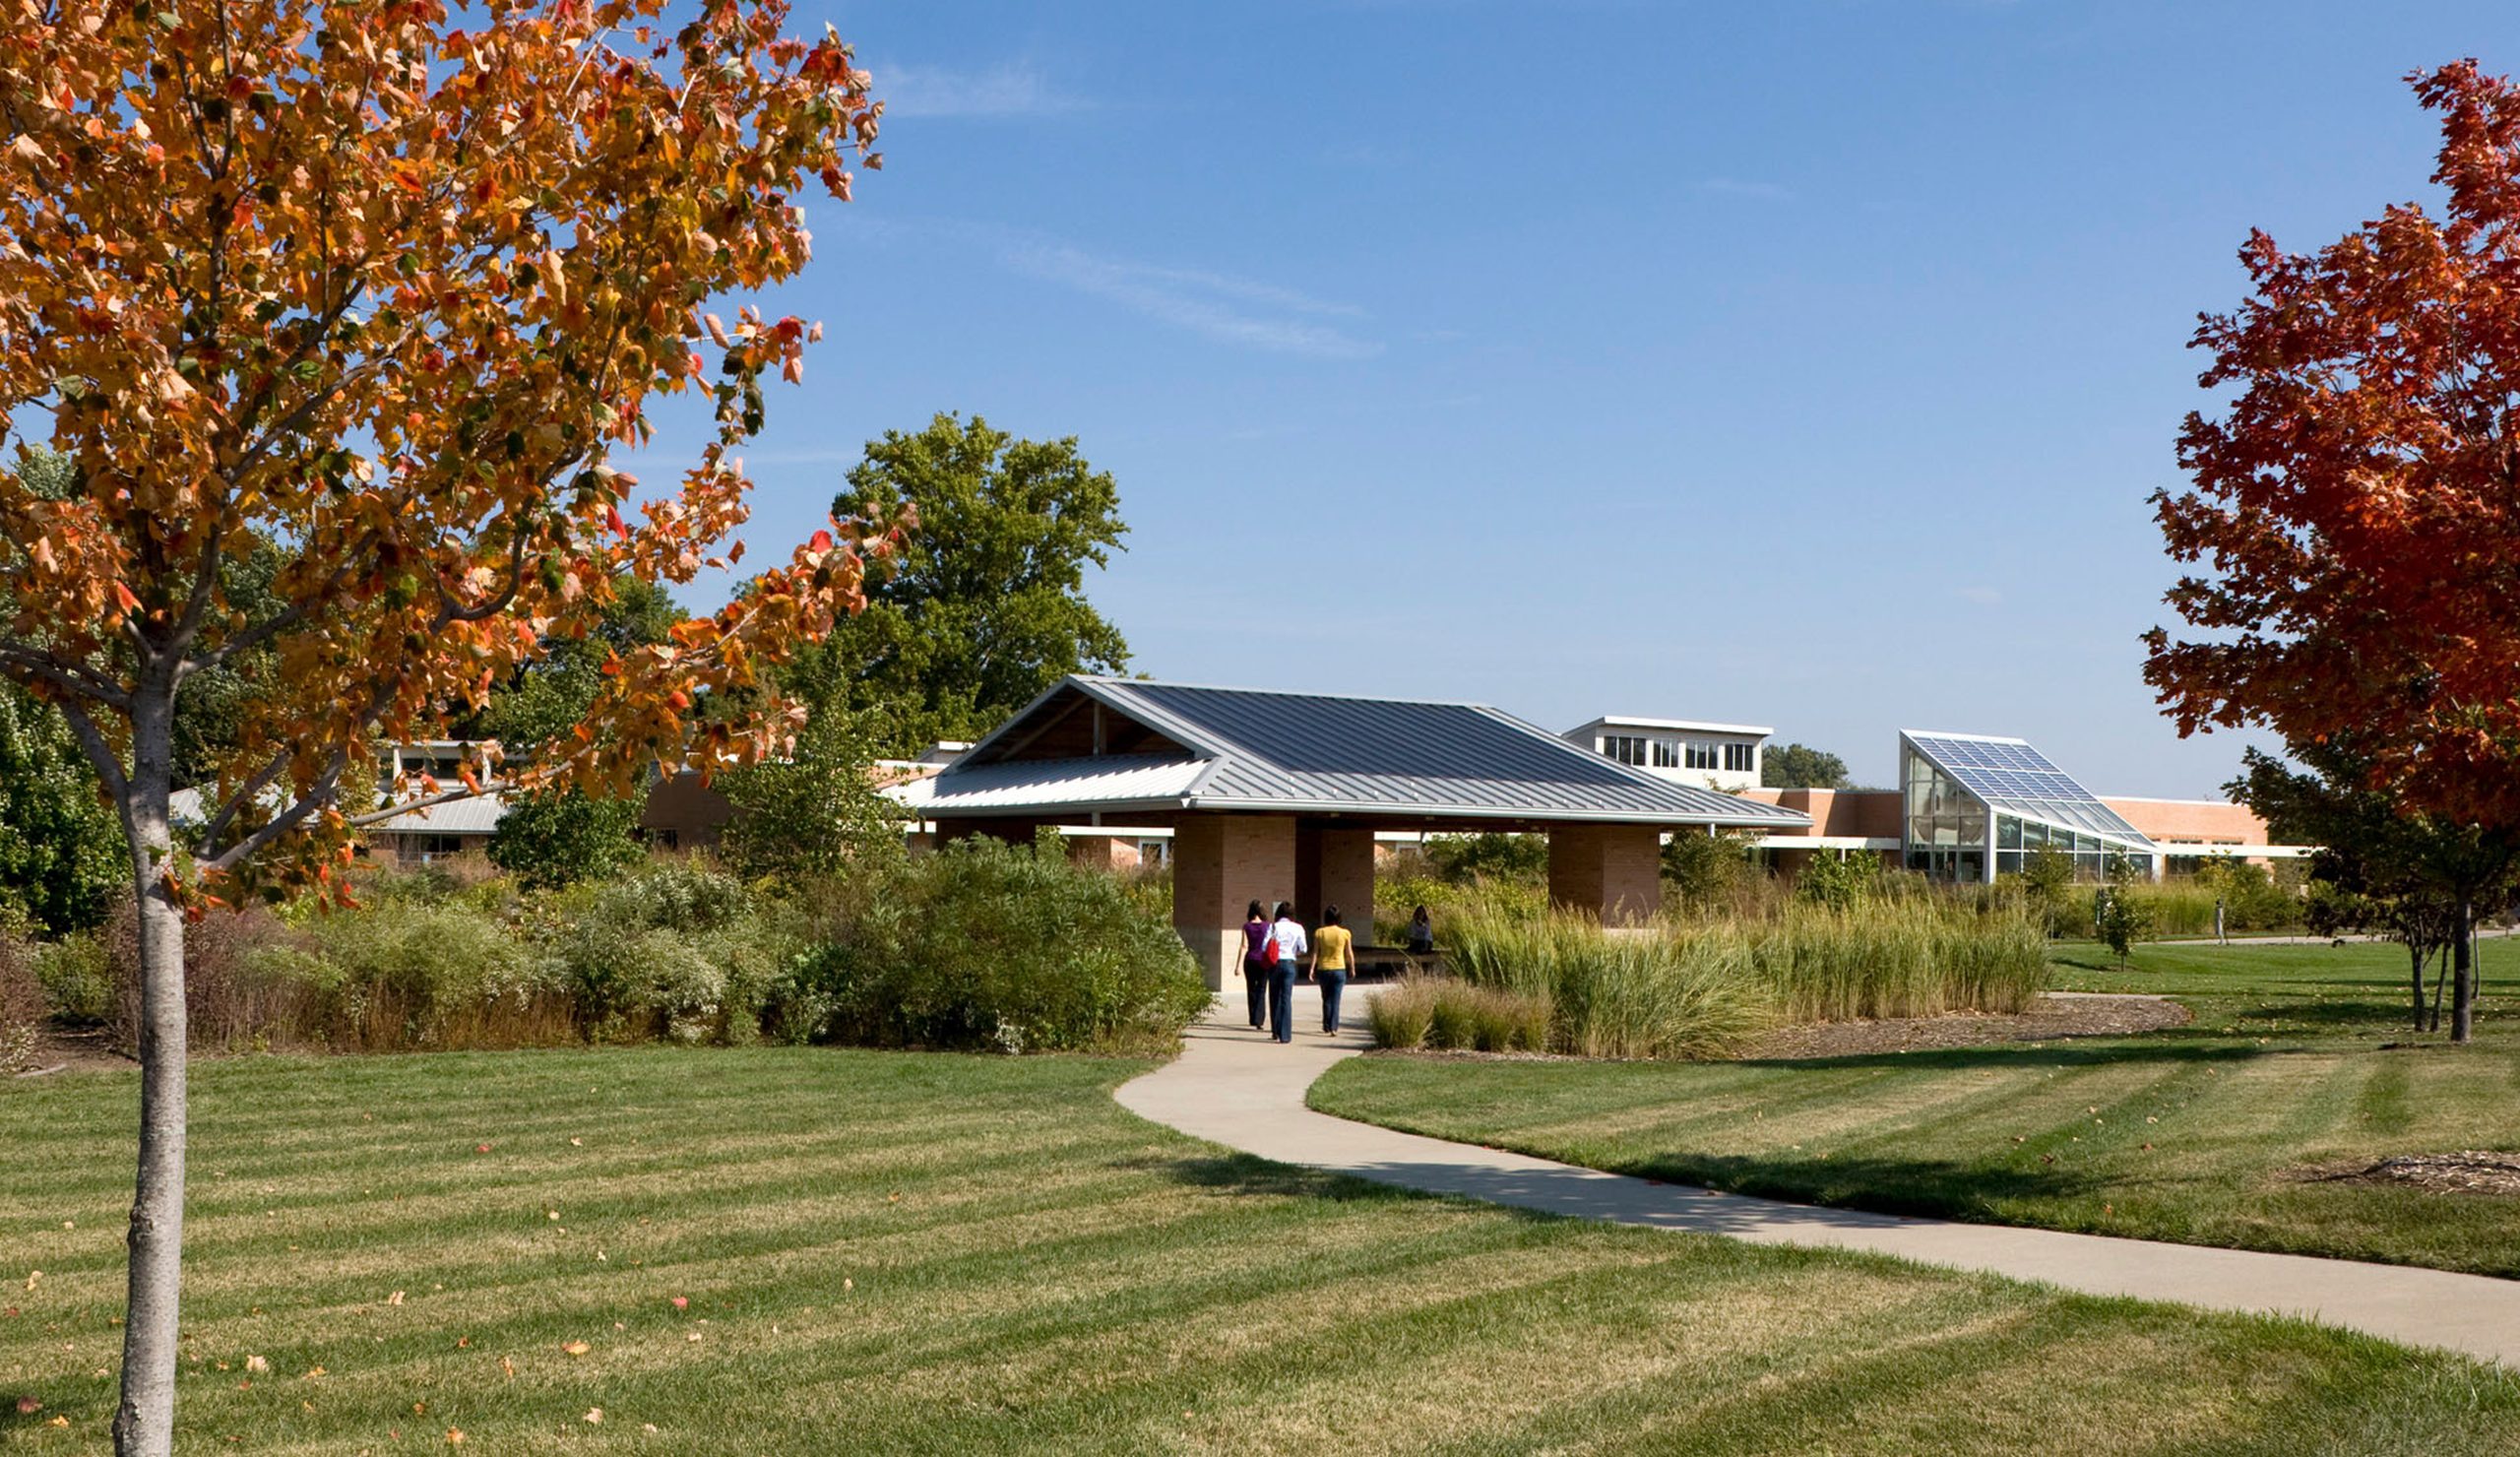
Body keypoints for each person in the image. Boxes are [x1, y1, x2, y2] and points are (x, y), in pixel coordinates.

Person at [1266, 901, 1306, 1044]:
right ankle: (1285, 1034)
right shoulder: (1298, 928)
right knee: (1286, 999)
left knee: (1274, 997)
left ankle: (1275, 1031)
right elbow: (1304, 948)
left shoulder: (1273, 927)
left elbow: (1265, 945)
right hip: (1289, 963)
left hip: (1275, 963)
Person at [1310, 905, 1354, 1035]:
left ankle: (1327, 1025)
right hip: (1339, 968)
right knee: (1336, 998)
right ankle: (1334, 1026)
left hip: (1324, 968)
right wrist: (1352, 967)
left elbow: (1315, 953)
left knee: (1326, 998)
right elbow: (1349, 953)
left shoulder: (1319, 932)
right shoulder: (1345, 933)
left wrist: (1311, 968)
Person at [1240, 900, 1271, 1030]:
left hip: (1250, 959)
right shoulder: (1268, 926)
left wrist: (1237, 966)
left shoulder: (1246, 926)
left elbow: (1243, 946)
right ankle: (1259, 1019)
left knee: (1251, 989)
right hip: (1263, 960)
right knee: (1262, 989)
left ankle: (1253, 1017)